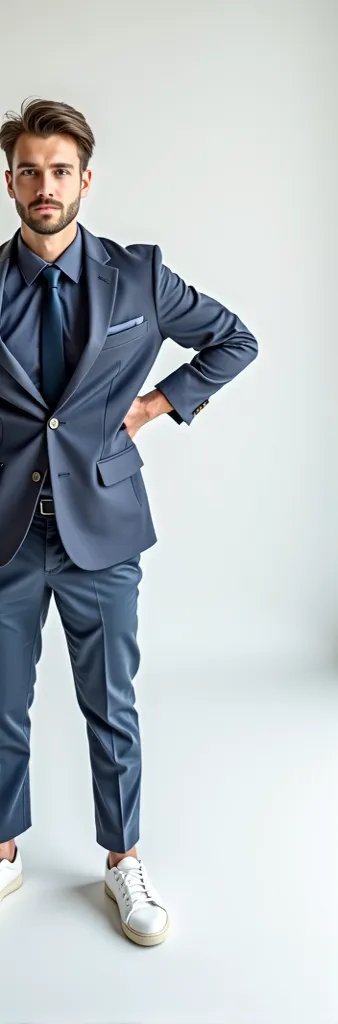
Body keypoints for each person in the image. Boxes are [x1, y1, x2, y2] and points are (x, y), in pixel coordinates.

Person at [0, 97, 258, 946]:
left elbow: (231, 339)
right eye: (29, 170)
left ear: (85, 179)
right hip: (6, 532)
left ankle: (122, 859)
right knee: (1, 702)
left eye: (60, 170)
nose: (45, 186)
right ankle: (3, 849)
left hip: (103, 529)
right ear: (9, 181)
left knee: (109, 702)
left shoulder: (138, 278)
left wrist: (155, 405)